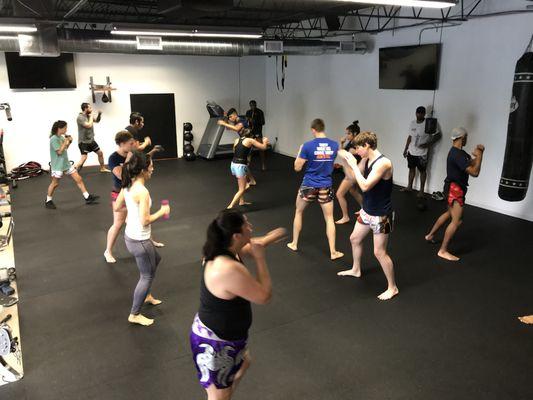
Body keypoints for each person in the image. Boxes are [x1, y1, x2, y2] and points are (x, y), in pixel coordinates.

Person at [190, 208, 285, 400]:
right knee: (217, 396)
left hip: (229, 337)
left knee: (244, 363)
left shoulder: (225, 249)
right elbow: (264, 296)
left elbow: (250, 246)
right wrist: (260, 258)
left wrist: (269, 238)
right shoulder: (227, 268)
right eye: (246, 225)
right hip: (215, 343)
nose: (251, 227)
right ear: (236, 236)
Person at [337, 131, 399, 301]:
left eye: (358, 148)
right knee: (354, 239)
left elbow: (364, 186)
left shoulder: (383, 163)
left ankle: (392, 287)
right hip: (367, 211)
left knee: (379, 252)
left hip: (381, 215)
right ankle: (356, 269)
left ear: (367, 145)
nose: (357, 152)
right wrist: (345, 160)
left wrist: (353, 164)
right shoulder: (365, 159)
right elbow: (352, 178)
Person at [113, 151, 170, 326]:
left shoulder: (127, 185)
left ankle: (146, 294)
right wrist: (162, 211)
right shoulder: (142, 191)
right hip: (140, 241)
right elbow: (145, 221)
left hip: (130, 237)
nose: (153, 168)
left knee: (156, 259)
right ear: (143, 170)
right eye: (151, 166)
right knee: (146, 276)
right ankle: (134, 314)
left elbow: (117, 207)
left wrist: (131, 212)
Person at [287, 118, 343, 261]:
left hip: (309, 184)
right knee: (329, 218)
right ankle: (333, 251)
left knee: (299, 211)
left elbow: (297, 168)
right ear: (323, 128)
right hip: (326, 184)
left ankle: (294, 243)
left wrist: (300, 152)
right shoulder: (334, 145)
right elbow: (333, 160)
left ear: (313, 130)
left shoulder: (306, 146)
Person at [425, 127, 485, 261]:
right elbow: (475, 172)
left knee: (448, 214)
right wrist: (480, 155)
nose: (467, 139)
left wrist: (479, 155)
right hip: (455, 189)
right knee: (457, 221)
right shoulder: (456, 154)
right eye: (466, 137)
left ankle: (430, 236)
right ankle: (443, 250)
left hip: (452, 188)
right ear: (462, 137)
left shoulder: (460, 153)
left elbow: (472, 164)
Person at [45, 120, 99, 209]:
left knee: (79, 179)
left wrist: (69, 142)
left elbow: (65, 149)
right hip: (58, 165)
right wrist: (66, 141)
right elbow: (59, 152)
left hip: (66, 164)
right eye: (65, 128)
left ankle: (87, 197)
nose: (66, 129)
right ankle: (48, 200)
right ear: (59, 129)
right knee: (55, 184)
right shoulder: (53, 138)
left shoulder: (62, 137)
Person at [104, 130, 136, 263]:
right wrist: (128, 160)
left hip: (133, 191)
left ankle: (150, 241)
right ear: (122, 144)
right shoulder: (113, 158)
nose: (133, 145)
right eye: (130, 143)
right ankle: (108, 251)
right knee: (118, 223)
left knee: (140, 217)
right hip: (119, 193)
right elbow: (120, 176)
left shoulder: (132, 154)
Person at [401, 106, 440, 197]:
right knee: (411, 169)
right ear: (416, 113)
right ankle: (409, 187)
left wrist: (428, 144)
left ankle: (421, 191)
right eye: (418, 112)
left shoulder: (429, 123)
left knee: (423, 171)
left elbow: (438, 135)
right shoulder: (412, 123)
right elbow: (410, 137)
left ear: (424, 114)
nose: (419, 114)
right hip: (411, 151)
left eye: (421, 113)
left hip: (422, 154)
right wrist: (405, 148)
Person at [228, 130, 269, 209]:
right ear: (251, 135)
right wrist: (265, 141)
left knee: (244, 175)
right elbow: (263, 148)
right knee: (242, 189)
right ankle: (230, 206)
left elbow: (234, 150)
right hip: (240, 166)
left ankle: (242, 201)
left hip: (233, 164)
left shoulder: (237, 140)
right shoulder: (250, 140)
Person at [218, 108, 256, 186]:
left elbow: (236, 128)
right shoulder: (236, 121)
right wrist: (225, 118)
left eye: (231, 117)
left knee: (245, 163)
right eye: (230, 118)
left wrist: (224, 123)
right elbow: (228, 128)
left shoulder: (241, 120)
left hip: (248, 143)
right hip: (244, 142)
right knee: (244, 163)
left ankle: (245, 182)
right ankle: (251, 180)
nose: (230, 119)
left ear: (235, 115)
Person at [335, 121, 363, 224]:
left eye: (348, 134)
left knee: (339, 194)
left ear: (355, 134)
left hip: (351, 175)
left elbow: (343, 154)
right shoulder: (351, 143)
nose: (346, 135)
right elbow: (342, 153)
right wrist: (342, 144)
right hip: (350, 173)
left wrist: (350, 152)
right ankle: (365, 210)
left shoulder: (357, 145)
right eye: (346, 133)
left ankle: (345, 217)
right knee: (353, 191)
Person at [74, 103, 110, 172]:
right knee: (84, 158)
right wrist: (90, 117)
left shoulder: (88, 116)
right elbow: (88, 125)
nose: (91, 109)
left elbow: (97, 121)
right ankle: (73, 170)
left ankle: (102, 168)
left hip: (91, 140)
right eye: (90, 108)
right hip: (83, 142)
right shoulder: (80, 117)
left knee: (100, 153)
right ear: (85, 109)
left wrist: (99, 114)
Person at [245, 100, 267, 171]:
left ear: (256, 105)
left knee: (261, 148)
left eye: (253, 105)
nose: (252, 107)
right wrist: (247, 120)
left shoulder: (260, 112)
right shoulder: (248, 112)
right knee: (248, 149)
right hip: (250, 132)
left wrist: (255, 121)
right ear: (250, 105)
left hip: (258, 132)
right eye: (251, 105)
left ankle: (263, 164)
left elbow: (263, 122)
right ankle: (247, 165)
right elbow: (246, 122)